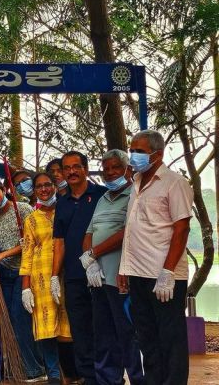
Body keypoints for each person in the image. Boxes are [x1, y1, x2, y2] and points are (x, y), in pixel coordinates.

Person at [118, 130, 192, 384]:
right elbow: (132, 229)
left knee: (170, 339)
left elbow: (182, 228)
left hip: (163, 276)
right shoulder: (136, 183)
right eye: (132, 150)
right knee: (147, 337)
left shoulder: (174, 183)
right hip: (138, 273)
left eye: (139, 151)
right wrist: (124, 268)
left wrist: (168, 272)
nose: (133, 156)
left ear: (157, 155)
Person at [84, 150, 145, 384]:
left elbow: (127, 232)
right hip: (98, 279)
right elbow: (90, 232)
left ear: (128, 170)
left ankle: (139, 379)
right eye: (106, 169)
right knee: (104, 335)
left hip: (122, 279)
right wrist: (89, 261)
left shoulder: (135, 195)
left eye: (115, 167)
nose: (110, 173)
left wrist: (94, 253)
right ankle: (109, 380)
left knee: (129, 334)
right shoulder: (103, 199)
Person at [51, 151, 106, 385]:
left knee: (103, 327)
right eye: (67, 168)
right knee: (80, 330)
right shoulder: (62, 203)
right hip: (74, 276)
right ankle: (88, 377)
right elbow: (59, 242)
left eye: (76, 166)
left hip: (102, 274)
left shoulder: (102, 195)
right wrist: (55, 276)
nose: (71, 171)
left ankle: (109, 376)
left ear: (86, 168)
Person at [0, 178, 44, 380]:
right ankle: (17, 365)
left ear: (4, 190)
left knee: (20, 319)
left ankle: (35, 369)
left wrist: (2, 255)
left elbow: (30, 242)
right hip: (4, 274)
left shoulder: (23, 209)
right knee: (7, 320)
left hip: (23, 272)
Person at [20, 172, 72, 384]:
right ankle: (53, 374)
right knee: (46, 326)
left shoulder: (66, 210)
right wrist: (25, 287)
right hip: (40, 278)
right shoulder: (31, 219)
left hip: (67, 274)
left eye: (47, 184)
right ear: (34, 191)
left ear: (55, 186)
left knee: (69, 324)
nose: (44, 189)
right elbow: (27, 253)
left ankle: (72, 372)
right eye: (39, 186)